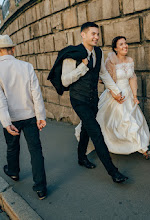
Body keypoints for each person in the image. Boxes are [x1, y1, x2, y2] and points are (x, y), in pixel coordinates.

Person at [58, 22, 128, 183]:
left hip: (92, 99)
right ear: (83, 35)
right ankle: (114, 172)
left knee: (86, 128)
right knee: (95, 131)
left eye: (98, 34)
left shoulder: (98, 52)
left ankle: (81, 157)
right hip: (78, 100)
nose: (96, 37)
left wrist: (116, 91)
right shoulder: (72, 54)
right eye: (93, 34)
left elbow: (103, 74)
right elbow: (65, 81)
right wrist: (82, 67)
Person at [0, 35, 47, 200]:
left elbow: (0, 100)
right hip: (29, 115)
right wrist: (40, 115)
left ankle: (13, 172)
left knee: (12, 147)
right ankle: (41, 188)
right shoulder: (26, 66)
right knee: (36, 150)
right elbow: (36, 93)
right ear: (13, 49)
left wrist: (6, 123)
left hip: (11, 119)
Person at [75, 36, 150, 159]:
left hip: (127, 95)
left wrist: (134, 96)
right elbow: (105, 79)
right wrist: (114, 93)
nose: (125, 46)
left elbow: (132, 78)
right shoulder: (111, 60)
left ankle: (143, 148)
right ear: (116, 48)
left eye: (126, 43)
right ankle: (105, 143)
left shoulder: (130, 60)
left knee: (132, 121)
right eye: (121, 44)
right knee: (109, 122)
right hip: (114, 94)